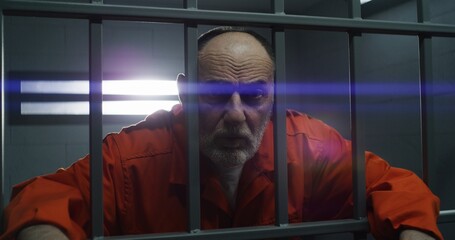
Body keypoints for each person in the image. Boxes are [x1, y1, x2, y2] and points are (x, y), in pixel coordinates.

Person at [1, 26, 443, 240]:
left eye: (253, 98)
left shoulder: (307, 145)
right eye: (215, 96)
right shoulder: (134, 155)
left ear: (274, 97)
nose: (236, 116)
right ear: (184, 94)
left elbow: (394, 185)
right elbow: (41, 197)